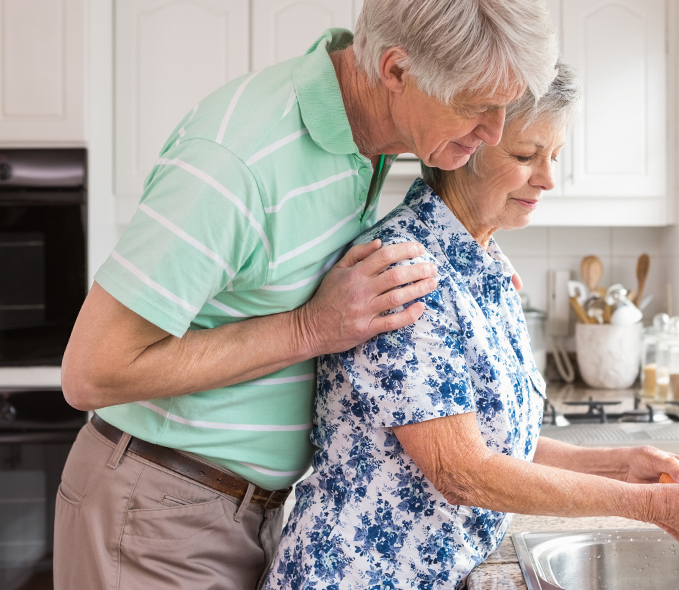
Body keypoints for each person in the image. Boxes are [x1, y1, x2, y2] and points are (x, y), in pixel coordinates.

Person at [54, 2, 559, 589]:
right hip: (154, 511)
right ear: (397, 70)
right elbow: (91, 371)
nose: (495, 133)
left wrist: (471, 256)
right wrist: (310, 328)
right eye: (478, 107)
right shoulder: (237, 160)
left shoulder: (368, 132)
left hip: (249, 512)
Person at [265, 63, 679, 590]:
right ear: (464, 146)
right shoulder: (404, 274)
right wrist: (650, 506)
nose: (547, 178)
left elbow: (498, 445)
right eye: (526, 156)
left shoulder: (483, 264)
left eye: (554, 157)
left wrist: (627, 464)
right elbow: (462, 471)